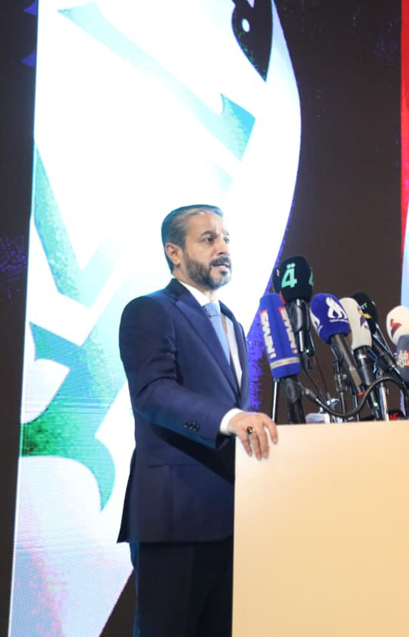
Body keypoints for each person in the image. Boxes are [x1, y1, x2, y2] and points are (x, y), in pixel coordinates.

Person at [117, 204, 279, 636]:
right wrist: (230, 418)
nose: (222, 247)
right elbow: (153, 392)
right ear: (174, 252)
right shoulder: (149, 310)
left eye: (225, 238)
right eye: (208, 239)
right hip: (176, 516)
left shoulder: (232, 323)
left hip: (232, 519)